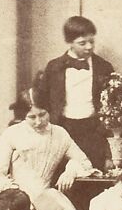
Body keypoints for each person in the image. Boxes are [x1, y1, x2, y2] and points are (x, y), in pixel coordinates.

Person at [38, 15, 114, 171]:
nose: (89, 47)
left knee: (92, 179)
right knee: (62, 178)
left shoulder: (103, 67)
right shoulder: (54, 67)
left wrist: (107, 153)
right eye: (82, 43)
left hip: (93, 132)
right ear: (69, 42)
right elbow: (42, 103)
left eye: (92, 41)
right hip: (63, 130)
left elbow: (111, 109)